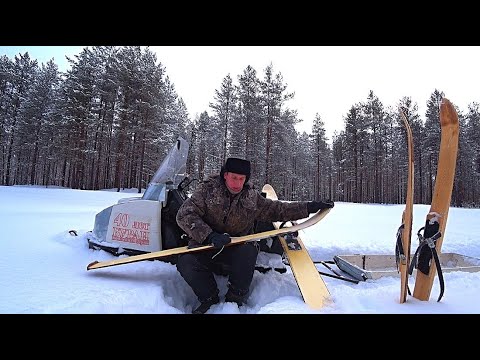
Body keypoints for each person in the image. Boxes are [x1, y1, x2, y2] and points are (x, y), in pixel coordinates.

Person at [175, 157, 334, 314]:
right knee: (186, 261)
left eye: (241, 179)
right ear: (225, 175)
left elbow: (278, 210)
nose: (237, 183)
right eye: (234, 178)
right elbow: (184, 215)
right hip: (207, 245)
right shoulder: (206, 191)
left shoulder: (251, 197)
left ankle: (235, 297)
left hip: (236, 248)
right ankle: (208, 298)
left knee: (248, 251)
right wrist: (209, 236)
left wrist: (309, 207)